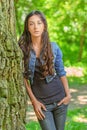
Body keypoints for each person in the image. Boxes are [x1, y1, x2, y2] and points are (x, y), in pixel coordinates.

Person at [18, 10, 71, 130]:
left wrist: (68, 95)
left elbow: (61, 72)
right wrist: (34, 101)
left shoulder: (54, 47)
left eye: (39, 23)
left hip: (60, 99)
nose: (35, 27)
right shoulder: (22, 49)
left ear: (44, 26)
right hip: (42, 103)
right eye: (31, 24)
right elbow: (24, 78)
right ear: (27, 27)